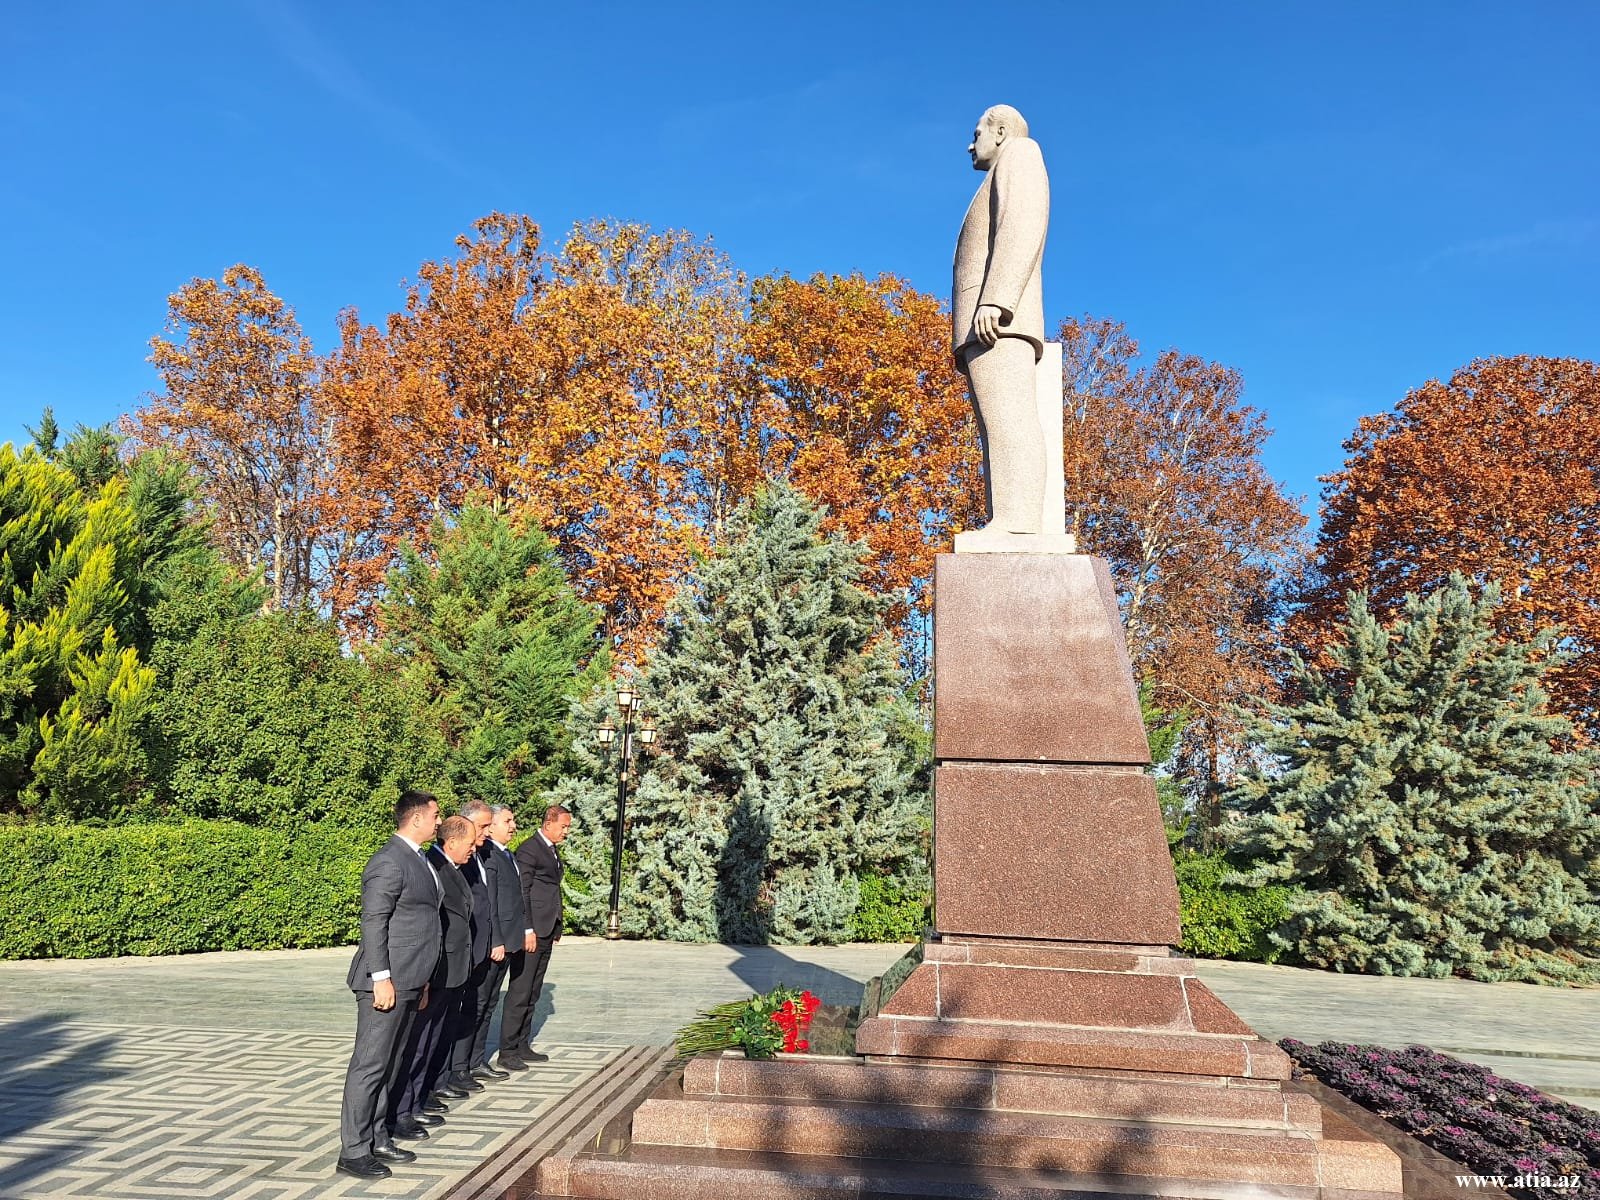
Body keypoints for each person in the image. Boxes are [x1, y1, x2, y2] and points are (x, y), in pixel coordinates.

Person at [952, 103, 1050, 542]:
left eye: (977, 133)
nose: (969, 144)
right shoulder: (1000, 170)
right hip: (985, 324)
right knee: (997, 424)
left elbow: (1022, 224)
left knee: (1010, 419)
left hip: (998, 321)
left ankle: (1017, 523)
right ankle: (1007, 519)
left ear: (1001, 131)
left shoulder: (1021, 153)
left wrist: (996, 300)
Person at [335, 790, 443, 1180]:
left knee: (392, 1063)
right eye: (435, 815)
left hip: (411, 979)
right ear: (416, 819)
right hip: (386, 981)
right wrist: (381, 977)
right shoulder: (388, 861)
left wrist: (423, 980)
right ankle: (353, 1151)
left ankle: (378, 1137)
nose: (439, 821)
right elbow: (373, 922)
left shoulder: (419, 858)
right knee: (370, 1065)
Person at [388, 814, 477, 1138]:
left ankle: (416, 1102)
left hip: (449, 968)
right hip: (433, 969)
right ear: (451, 843)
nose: (474, 848)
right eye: (470, 843)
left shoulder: (449, 866)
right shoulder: (433, 865)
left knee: (429, 1041)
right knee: (418, 1043)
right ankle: (402, 1111)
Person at [499, 804, 572, 1068]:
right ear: (548, 823)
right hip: (532, 931)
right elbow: (523, 890)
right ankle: (507, 1051)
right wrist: (527, 928)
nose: (566, 832)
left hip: (547, 928)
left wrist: (557, 924)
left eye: (567, 827)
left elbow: (551, 888)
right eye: (563, 826)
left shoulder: (551, 849)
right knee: (521, 990)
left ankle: (522, 1043)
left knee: (533, 990)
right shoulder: (530, 849)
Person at [467, 804, 530, 1079]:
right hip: (496, 943)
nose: (513, 826)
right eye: (507, 821)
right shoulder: (488, 854)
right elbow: (491, 902)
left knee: (489, 1002)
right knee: (480, 1003)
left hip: (508, 941)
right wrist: (496, 940)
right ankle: (468, 1062)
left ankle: (475, 1060)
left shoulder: (506, 854)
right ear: (491, 826)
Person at [441, 799, 495, 1096]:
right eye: (483, 826)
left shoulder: (478, 855)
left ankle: (462, 1066)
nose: (486, 832)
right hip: (460, 950)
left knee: (472, 1009)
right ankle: (449, 1072)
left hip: (477, 946)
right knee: (451, 1016)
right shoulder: (451, 862)